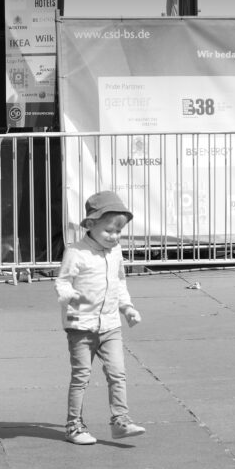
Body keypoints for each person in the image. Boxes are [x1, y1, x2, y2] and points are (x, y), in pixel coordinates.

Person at [54, 191, 146, 446]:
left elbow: (119, 282)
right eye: (109, 231)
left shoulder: (115, 252)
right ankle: (74, 425)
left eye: (119, 232)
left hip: (110, 325)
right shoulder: (76, 252)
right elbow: (62, 281)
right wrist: (71, 296)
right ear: (91, 225)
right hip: (81, 325)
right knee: (81, 376)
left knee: (118, 373)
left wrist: (127, 308)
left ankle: (120, 421)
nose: (114, 237)